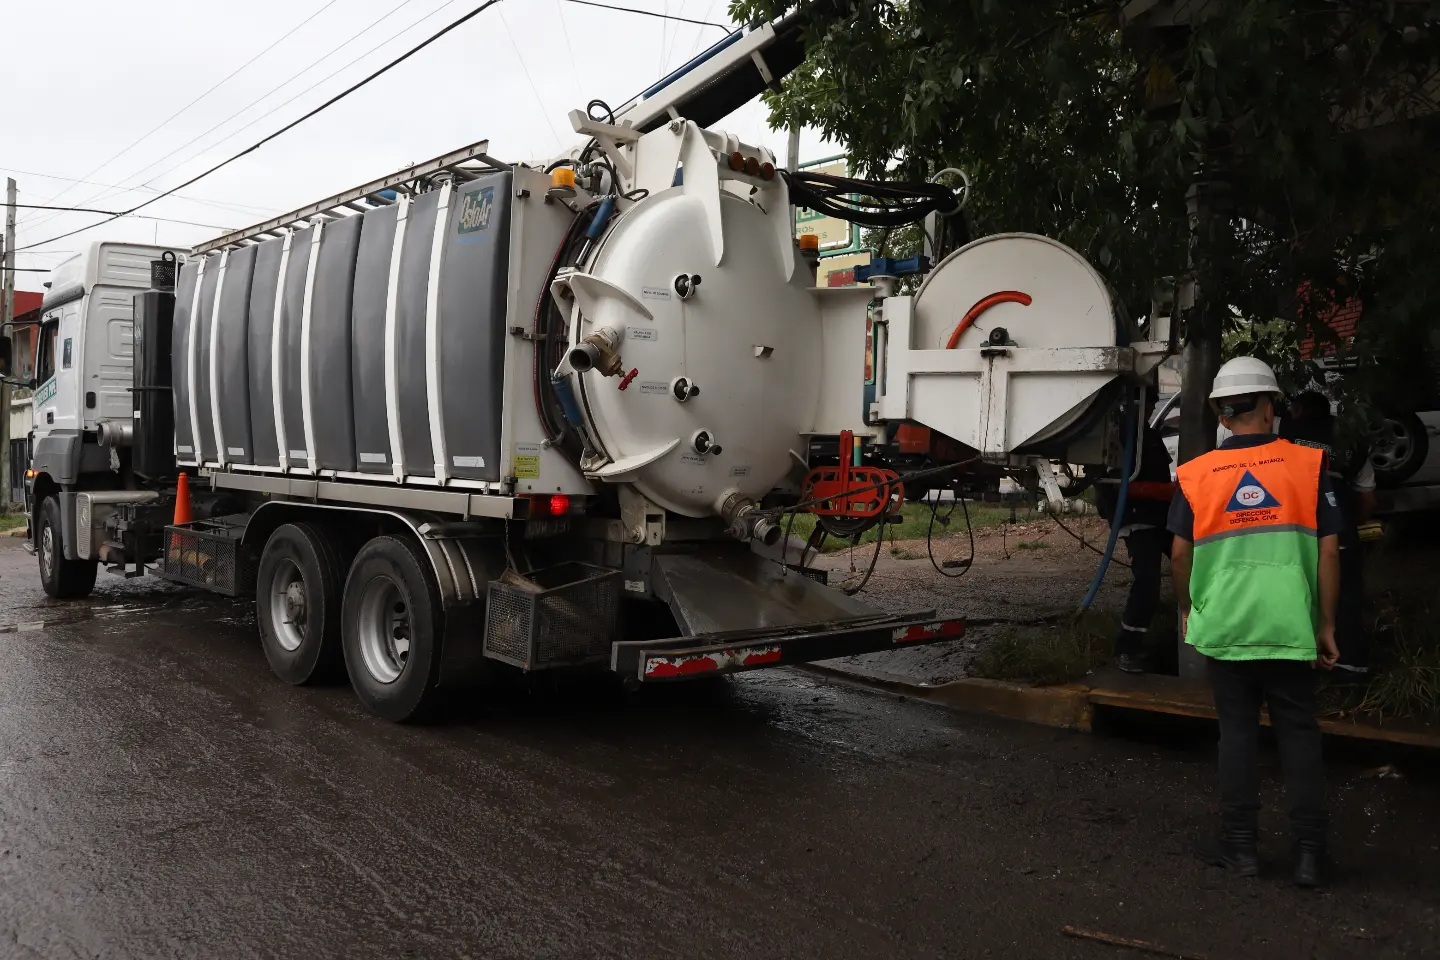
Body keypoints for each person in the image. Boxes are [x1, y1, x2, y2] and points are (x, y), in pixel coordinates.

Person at [1167, 357, 1342, 889]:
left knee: (1237, 733)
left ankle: (1240, 848)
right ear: (1270, 408)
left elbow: (1178, 554)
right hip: (1290, 625)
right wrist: (1326, 623)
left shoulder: (1195, 475)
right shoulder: (1309, 466)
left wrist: (1188, 609)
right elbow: (1330, 552)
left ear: (1221, 413)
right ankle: (1310, 855)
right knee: (1298, 733)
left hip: (1227, 627)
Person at [1279, 391, 1376, 676]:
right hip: (1341, 533)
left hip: (1293, 537)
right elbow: (1368, 500)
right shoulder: (1351, 442)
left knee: (1296, 596)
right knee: (1346, 597)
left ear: (1297, 411)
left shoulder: (1283, 437)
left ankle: (1298, 664)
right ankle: (1349, 667)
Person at [1096, 392, 1176, 675]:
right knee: (1147, 582)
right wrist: (1166, 492)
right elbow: (1119, 486)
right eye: (1149, 401)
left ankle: (1195, 635)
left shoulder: (1148, 434)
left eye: (1154, 401)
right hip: (1136, 517)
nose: (1153, 406)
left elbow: (1163, 475)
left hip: (1162, 516)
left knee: (1197, 563)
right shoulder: (1118, 434)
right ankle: (1127, 648)